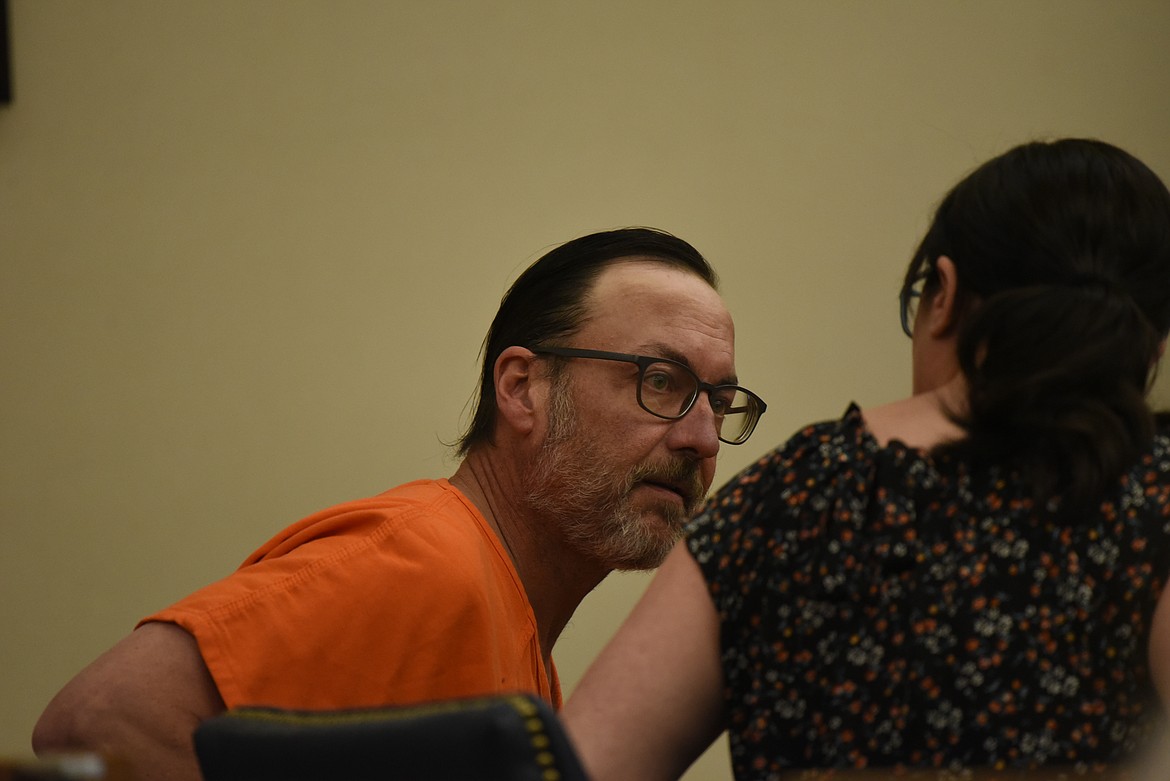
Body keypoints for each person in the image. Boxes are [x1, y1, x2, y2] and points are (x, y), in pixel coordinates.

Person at [32, 227, 767, 781]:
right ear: (522, 388)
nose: (703, 437)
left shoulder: (506, 607)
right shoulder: (428, 558)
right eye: (660, 380)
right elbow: (97, 719)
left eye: (723, 401)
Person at [563, 139, 1170, 780]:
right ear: (1154, 344)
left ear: (945, 294)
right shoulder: (1155, 496)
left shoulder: (799, 493)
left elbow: (587, 766)